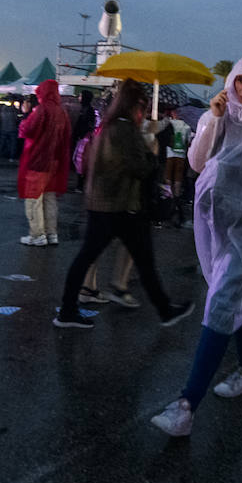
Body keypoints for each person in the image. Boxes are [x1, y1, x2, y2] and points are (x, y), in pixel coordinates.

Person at [151, 51, 242, 437]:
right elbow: (197, 163)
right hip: (217, 218)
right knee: (235, 297)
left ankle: (186, 405)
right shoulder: (221, 113)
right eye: (239, 81)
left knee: (221, 298)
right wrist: (213, 120)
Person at [56, 79, 192, 329]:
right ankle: (67, 310)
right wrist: (151, 153)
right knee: (106, 258)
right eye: (142, 103)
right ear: (135, 104)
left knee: (136, 259)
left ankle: (163, 309)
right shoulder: (124, 128)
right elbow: (140, 167)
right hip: (116, 207)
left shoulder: (111, 125)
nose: (143, 108)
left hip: (109, 204)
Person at [17, 79, 72, 245]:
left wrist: (25, 118)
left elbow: (29, 130)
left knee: (34, 197)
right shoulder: (62, 112)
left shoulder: (41, 110)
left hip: (38, 160)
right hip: (55, 161)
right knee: (49, 197)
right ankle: (51, 233)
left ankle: (37, 234)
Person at [162, 104, 192, 202]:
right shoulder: (187, 127)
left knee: (168, 175)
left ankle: (169, 195)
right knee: (178, 176)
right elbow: (188, 142)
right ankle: (177, 196)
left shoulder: (169, 123)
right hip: (181, 155)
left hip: (169, 154)